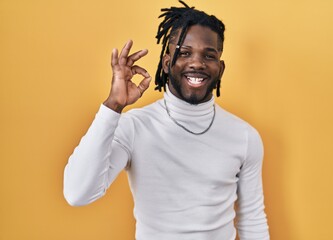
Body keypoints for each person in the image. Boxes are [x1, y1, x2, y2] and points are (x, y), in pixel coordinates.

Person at [63, 1, 270, 239]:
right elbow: (78, 193)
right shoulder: (135, 126)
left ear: (220, 68)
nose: (197, 63)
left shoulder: (244, 136)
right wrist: (113, 106)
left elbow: (252, 218)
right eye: (184, 53)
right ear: (166, 62)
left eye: (209, 55)